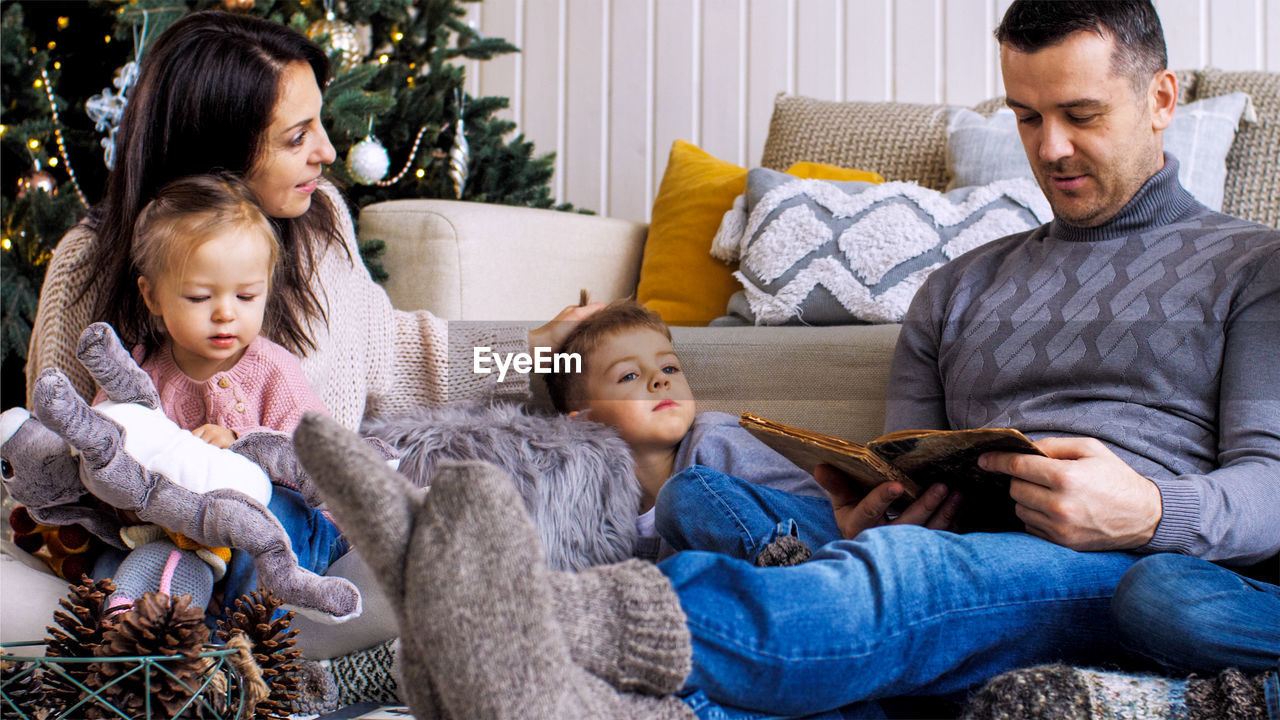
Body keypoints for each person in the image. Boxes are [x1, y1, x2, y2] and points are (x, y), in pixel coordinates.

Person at [290, 2, 1279, 719]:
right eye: (1024, 116)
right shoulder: (958, 288)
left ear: (1157, 99)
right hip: (962, 534)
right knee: (699, 500)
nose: (1049, 147)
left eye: (1079, 113)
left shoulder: (1249, 269)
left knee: (898, 579)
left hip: (1118, 556)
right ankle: (606, 670)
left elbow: (1271, 487)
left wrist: (1148, 510)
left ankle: (505, 629)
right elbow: (899, 453)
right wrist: (868, 499)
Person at [95, 173, 340, 612]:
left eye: (246, 296)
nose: (226, 314)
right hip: (182, 540)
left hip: (289, 542)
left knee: (275, 511)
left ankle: (247, 636)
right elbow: (100, 456)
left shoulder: (272, 371)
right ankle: (149, 637)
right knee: (110, 556)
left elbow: (317, 466)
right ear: (152, 296)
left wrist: (243, 452)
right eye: (199, 297)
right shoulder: (135, 373)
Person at [544, 300, 829, 563]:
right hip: (745, 598)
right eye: (629, 375)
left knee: (683, 494)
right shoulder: (601, 512)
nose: (659, 379)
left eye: (669, 367)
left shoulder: (712, 437)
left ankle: (786, 573)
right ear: (585, 422)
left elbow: (814, 507)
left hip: (821, 545)